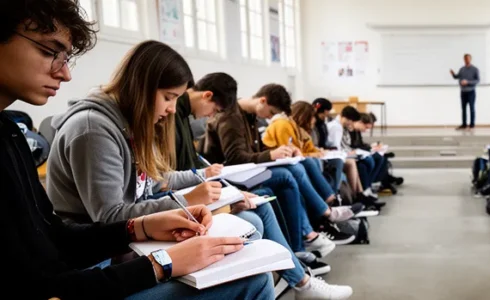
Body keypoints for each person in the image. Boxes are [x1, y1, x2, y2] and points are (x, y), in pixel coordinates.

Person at [0, 1, 273, 298]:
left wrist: (142, 227)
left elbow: (54, 236)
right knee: (252, 272)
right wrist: (162, 263)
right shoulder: (92, 127)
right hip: (90, 267)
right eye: (50, 52)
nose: (66, 74)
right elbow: (43, 279)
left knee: (247, 236)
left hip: (87, 256)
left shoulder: (11, 133)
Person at [46, 41, 352, 299]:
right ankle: (302, 271)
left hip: (126, 246)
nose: (170, 109)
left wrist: (197, 182)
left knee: (246, 231)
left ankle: (301, 269)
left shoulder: (128, 125)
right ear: (142, 88)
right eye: (168, 98)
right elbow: (110, 217)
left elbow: (151, 181)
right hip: (100, 263)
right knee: (250, 243)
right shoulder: (94, 130)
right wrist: (188, 202)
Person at [201, 84, 359, 244]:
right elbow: (235, 157)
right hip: (231, 176)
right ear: (262, 101)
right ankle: (321, 218)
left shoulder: (250, 116)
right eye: (271, 113)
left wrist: (281, 150)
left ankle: (309, 234)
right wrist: (271, 154)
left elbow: (253, 149)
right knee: (289, 174)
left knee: (296, 168)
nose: (270, 118)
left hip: (247, 171)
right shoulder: (232, 117)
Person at [450, 53, 480, 130]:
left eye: (468, 58)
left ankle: (472, 124)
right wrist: (453, 75)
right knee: (463, 108)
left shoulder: (475, 69)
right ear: (464, 59)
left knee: (472, 108)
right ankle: (464, 124)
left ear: (471, 59)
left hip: (471, 91)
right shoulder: (462, 69)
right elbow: (457, 77)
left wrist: (468, 82)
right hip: (463, 92)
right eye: (465, 59)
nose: (467, 60)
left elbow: (477, 80)